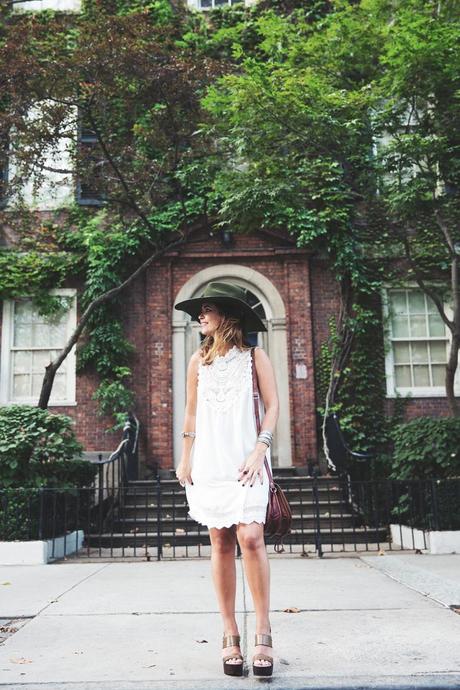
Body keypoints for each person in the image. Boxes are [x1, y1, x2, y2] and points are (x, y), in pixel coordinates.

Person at [174, 281, 280, 678]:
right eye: (199, 311)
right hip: (208, 464)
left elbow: (272, 408)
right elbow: (189, 416)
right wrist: (185, 459)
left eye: (207, 309)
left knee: (250, 538)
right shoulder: (197, 362)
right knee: (219, 541)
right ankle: (230, 631)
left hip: (246, 463)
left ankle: (263, 631)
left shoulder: (256, 357)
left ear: (227, 316)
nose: (200, 316)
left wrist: (259, 450)